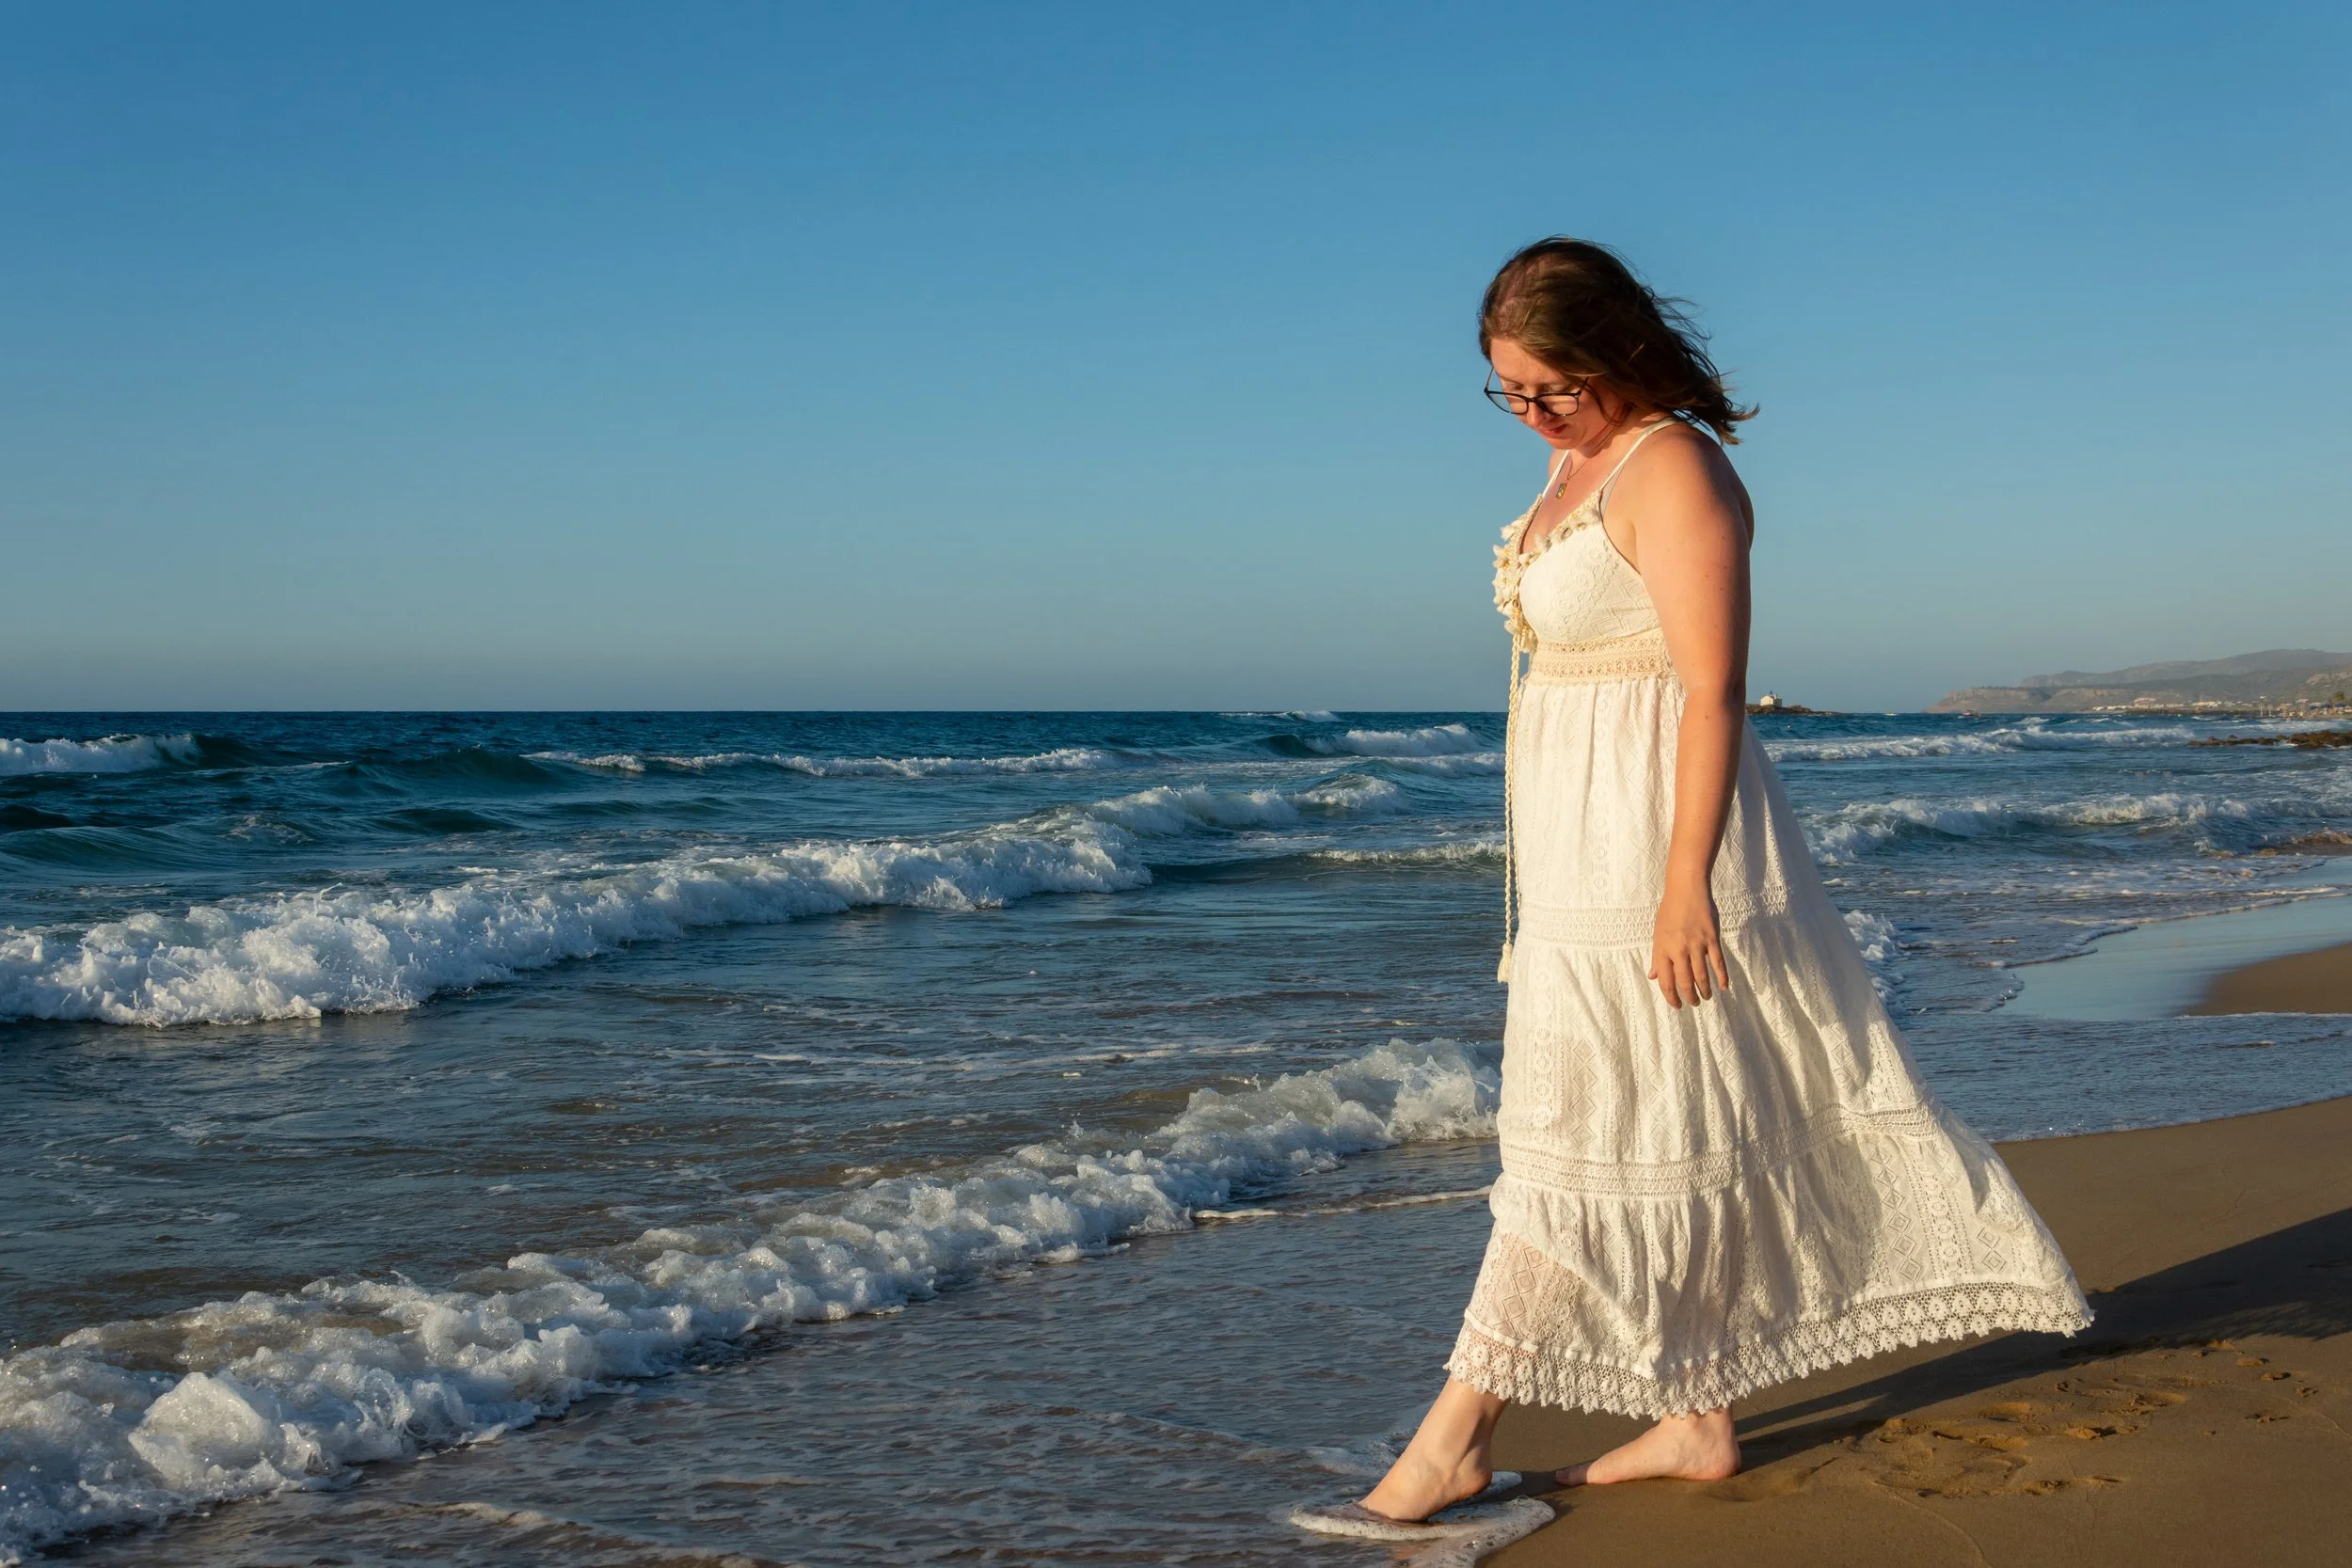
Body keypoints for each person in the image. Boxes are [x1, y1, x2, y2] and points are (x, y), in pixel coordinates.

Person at [1311, 238, 2090, 1533]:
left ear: (1614, 352)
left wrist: (1686, 886)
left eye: (1551, 387)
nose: (1531, 413)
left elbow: (1712, 688)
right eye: (1509, 391)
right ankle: (1698, 1408)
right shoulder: (1577, 461)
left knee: (1584, 1132)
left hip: (1652, 841)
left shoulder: (1673, 465)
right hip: (1571, 855)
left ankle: (1455, 1438)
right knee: (1639, 1118)